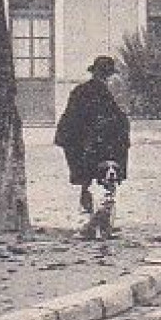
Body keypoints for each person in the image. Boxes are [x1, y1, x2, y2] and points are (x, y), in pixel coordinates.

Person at [54, 55, 132, 216]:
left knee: (87, 177)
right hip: (92, 141)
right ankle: (101, 211)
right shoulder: (103, 92)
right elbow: (115, 118)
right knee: (105, 173)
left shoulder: (81, 90)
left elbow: (70, 118)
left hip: (82, 141)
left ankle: (90, 207)